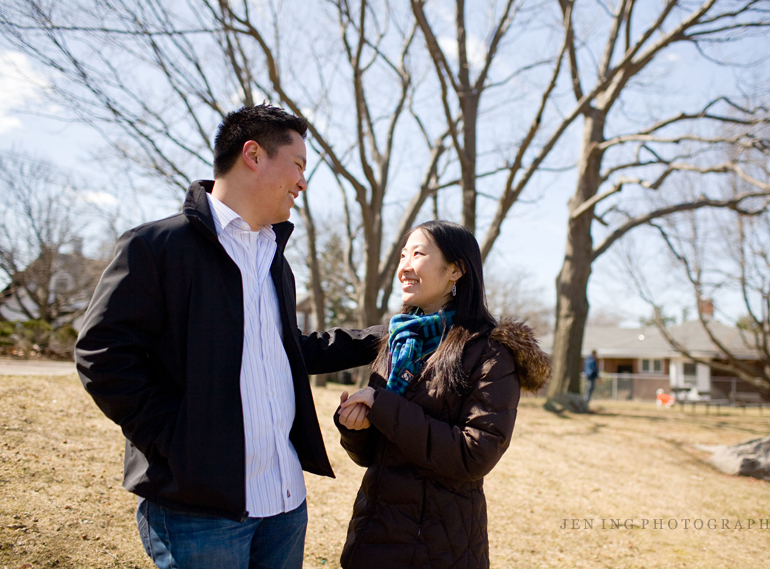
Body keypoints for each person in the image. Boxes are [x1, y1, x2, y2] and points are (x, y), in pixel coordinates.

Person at [75, 104, 382, 569]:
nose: (303, 182)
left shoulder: (275, 261)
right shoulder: (155, 247)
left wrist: (380, 336)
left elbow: (286, 350)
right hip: (198, 509)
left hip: (284, 504)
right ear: (253, 155)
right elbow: (101, 354)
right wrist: (175, 440)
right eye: (298, 166)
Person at [334, 220, 550, 569]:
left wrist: (384, 407)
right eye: (403, 254)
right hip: (373, 538)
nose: (404, 266)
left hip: (440, 548)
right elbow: (373, 455)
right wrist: (355, 427)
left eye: (417, 254)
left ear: (455, 269)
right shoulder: (399, 340)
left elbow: (474, 455)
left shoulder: (490, 351)